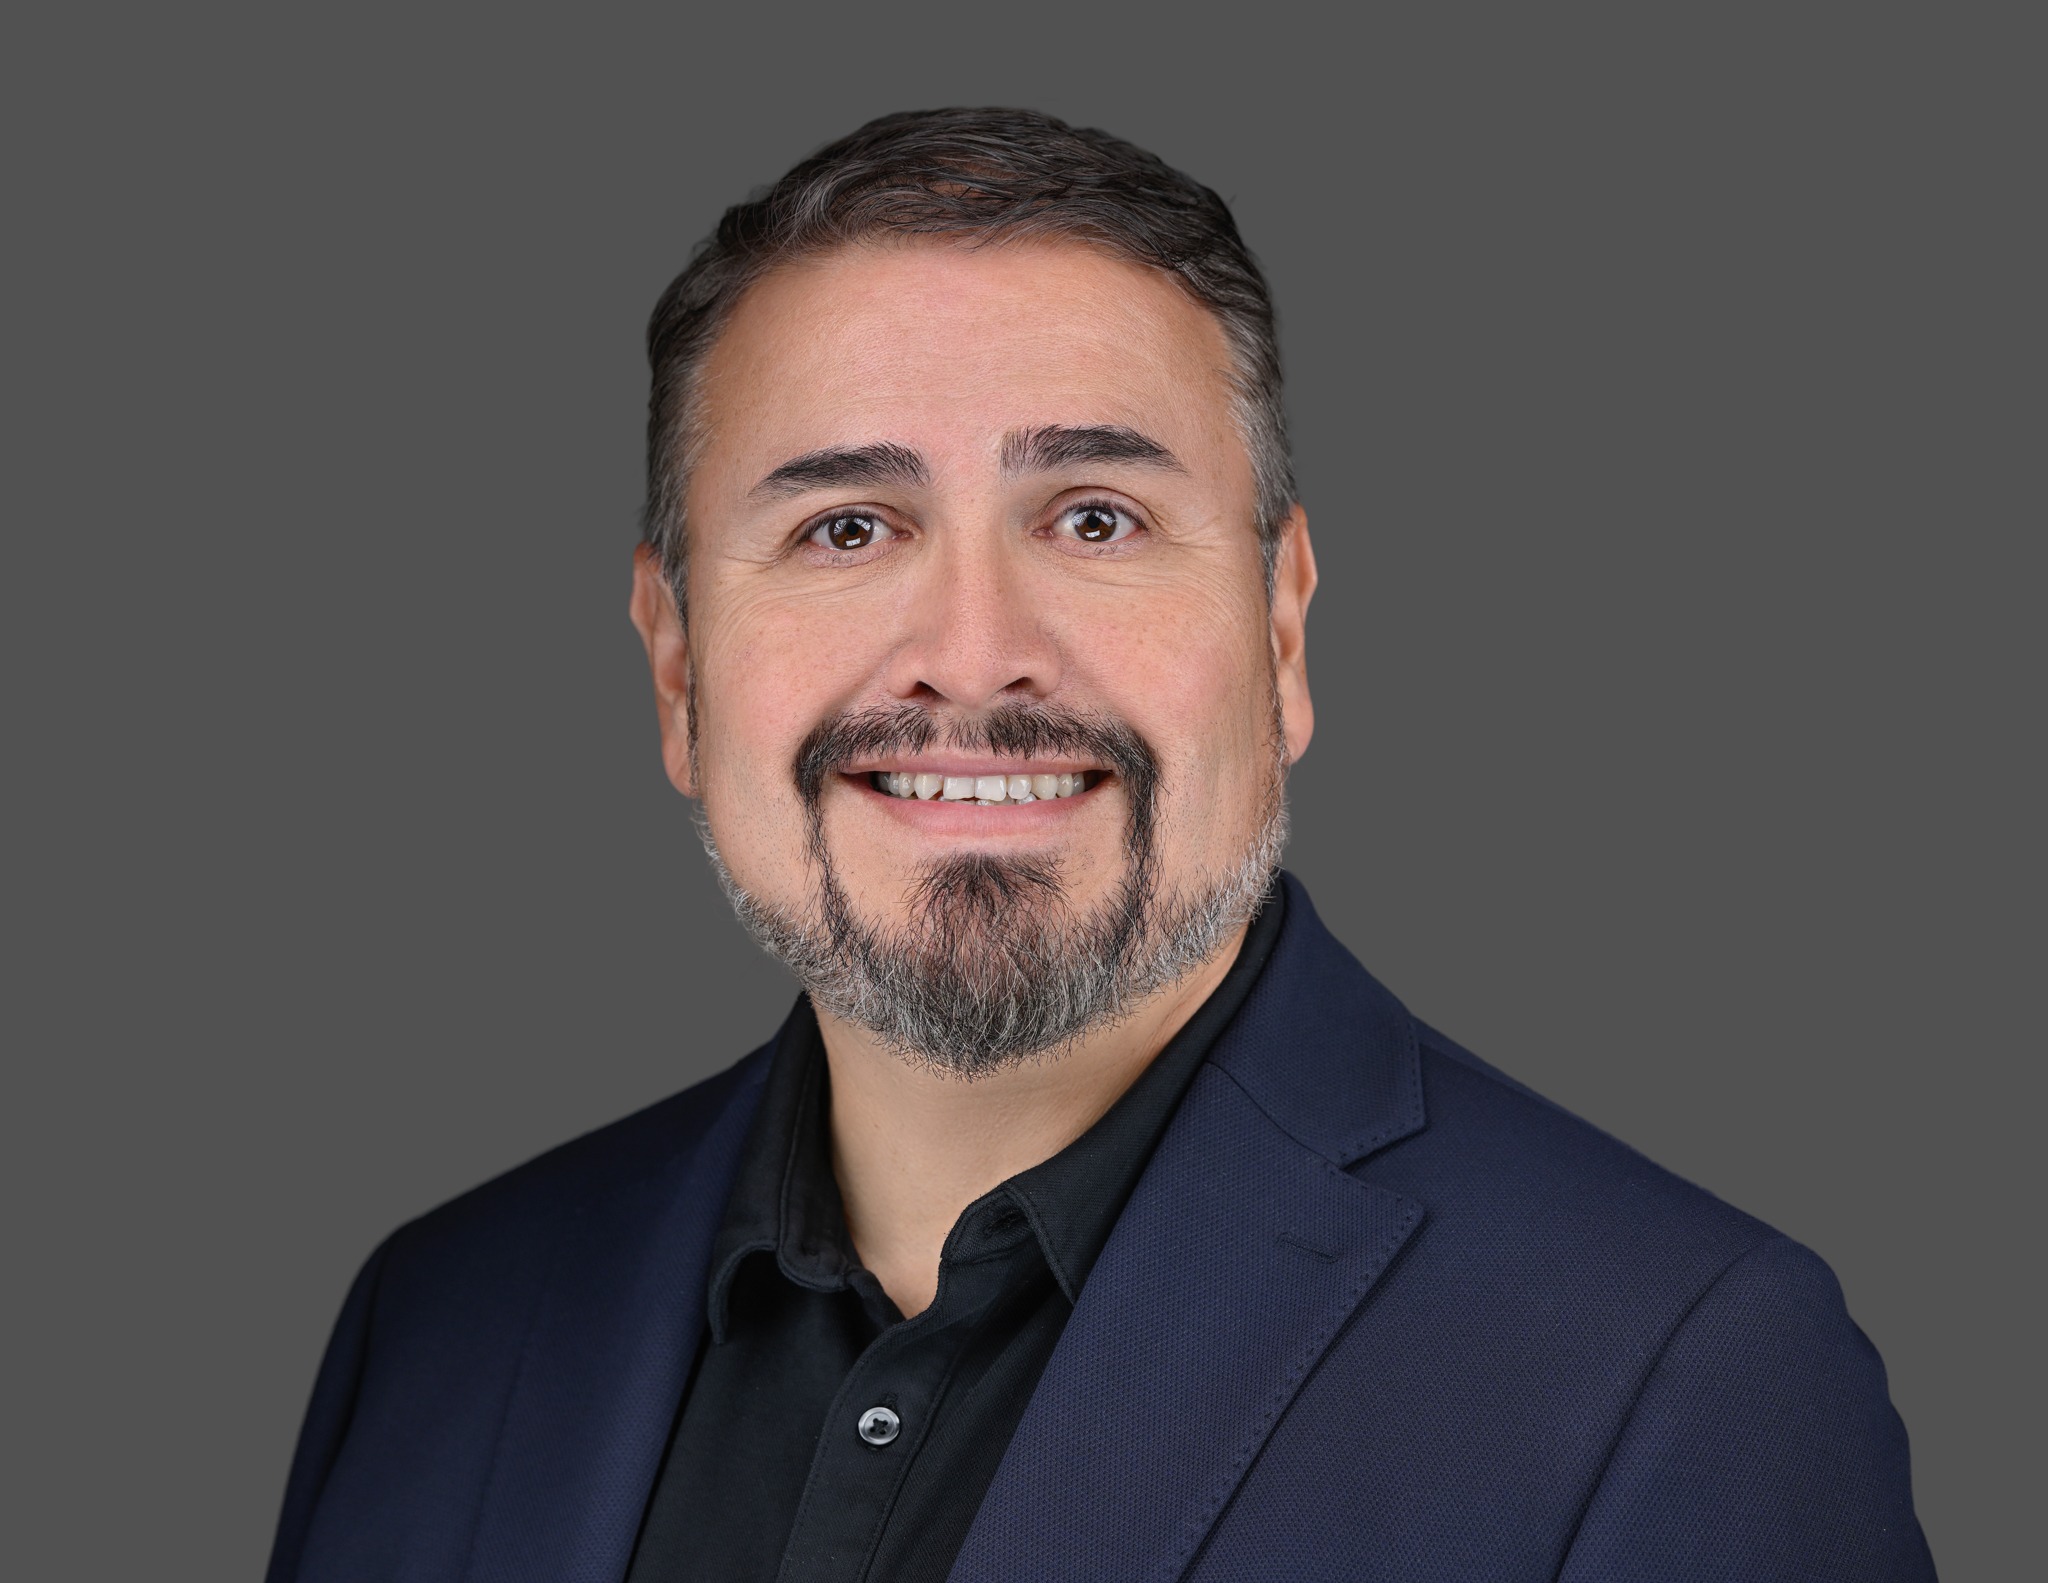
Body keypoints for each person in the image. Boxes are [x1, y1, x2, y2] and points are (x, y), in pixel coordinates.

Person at [265, 108, 1934, 1583]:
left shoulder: (1679, 1377)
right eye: (847, 527)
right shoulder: (442, 1322)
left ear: (1280, 632)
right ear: (681, 666)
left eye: (1095, 520)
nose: (975, 651)